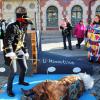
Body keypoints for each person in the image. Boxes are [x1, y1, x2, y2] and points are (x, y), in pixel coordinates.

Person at [3, 8, 33, 97]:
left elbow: (23, 41)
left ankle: (21, 81)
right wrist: (10, 52)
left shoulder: (23, 28)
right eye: (26, 23)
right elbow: (7, 40)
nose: (27, 25)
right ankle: (9, 89)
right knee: (14, 71)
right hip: (11, 51)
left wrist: (26, 52)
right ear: (21, 21)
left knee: (24, 68)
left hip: (19, 50)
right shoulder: (12, 26)